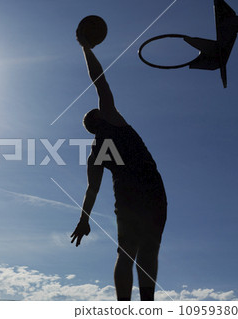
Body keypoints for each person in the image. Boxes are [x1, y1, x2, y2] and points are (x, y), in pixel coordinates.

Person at [70, 25, 167, 301]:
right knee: (149, 249)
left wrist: (84, 220)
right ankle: (146, 302)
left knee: (126, 253)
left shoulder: (95, 152)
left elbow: (92, 190)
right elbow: (98, 79)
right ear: (99, 117)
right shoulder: (112, 119)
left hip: (126, 196)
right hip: (151, 188)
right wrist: (85, 48)